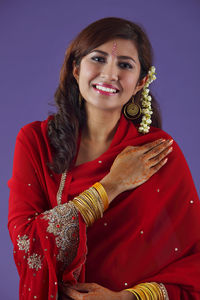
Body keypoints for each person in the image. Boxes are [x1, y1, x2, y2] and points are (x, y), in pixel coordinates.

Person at [8, 17, 200, 300]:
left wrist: (125, 298)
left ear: (140, 82)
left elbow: (193, 260)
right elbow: (26, 242)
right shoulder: (36, 142)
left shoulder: (158, 152)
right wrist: (112, 185)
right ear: (76, 69)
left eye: (124, 65)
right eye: (98, 59)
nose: (110, 74)